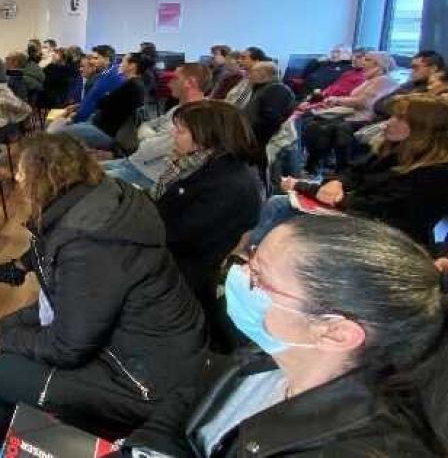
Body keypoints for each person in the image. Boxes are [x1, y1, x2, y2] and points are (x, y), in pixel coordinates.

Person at [0, 133, 207, 452]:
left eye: (21, 172)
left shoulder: (88, 245)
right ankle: (4, 417)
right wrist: (8, 332)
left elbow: (69, 346)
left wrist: (6, 342)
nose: (16, 178)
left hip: (142, 383)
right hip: (156, 352)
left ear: (43, 179)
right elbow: (72, 304)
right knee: (6, 328)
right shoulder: (103, 202)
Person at [123, 215, 448, 457]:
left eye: (258, 277)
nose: (237, 275)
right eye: (250, 259)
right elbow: (190, 401)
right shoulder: (270, 354)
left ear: (336, 333)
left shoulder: (352, 449)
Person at [248, 95, 448, 249]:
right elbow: (352, 171)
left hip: (385, 233)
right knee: (279, 202)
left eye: (399, 118)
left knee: (281, 207)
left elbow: (375, 208)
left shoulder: (434, 173)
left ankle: (250, 256)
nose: (388, 122)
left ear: (423, 129)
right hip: (358, 212)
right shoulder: (392, 149)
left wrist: (302, 186)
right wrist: (337, 182)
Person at [152, 100, 264, 352]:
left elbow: (178, 234)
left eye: (181, 130)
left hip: (191, 271)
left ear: (206, 138)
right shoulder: (202, 166)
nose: (173, 134)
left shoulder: (226, 183)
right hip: (180, 256)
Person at [102, 63, 212, 189]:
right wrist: (153, 136)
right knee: (88, 168)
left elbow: (147, 148)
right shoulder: (179, 108)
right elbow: (147, 125)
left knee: (87, 180)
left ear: (190, 82)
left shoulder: (195, 116)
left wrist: (148, 136)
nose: (169, 83)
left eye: (175, 78)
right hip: (135, 162)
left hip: (146, 175)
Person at [301, 50, 398, 173]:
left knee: (324, 127)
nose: (363, 62)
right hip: (352, 114)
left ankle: (334, 168)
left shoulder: (383, 80)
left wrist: (337, 100)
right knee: (315, 124)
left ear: (378, 64)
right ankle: (315, 165)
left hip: (366, 118)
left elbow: (363, 102)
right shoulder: (369, 79)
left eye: (367, 59)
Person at [55, 53, 147, 151]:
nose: (120, 64)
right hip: (101, 125)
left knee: (59, 133)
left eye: (123, 61)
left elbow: (102, 103)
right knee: (64, 128)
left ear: (132, 66)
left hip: (105, 131)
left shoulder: (130, 86)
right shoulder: (135, 84)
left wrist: (105, 98)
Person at [373, 50, 445, 120]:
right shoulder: (409, 85)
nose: (411, 71)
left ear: (433, 68)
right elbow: (378, 105)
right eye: (411, 68)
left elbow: (412, 114)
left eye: (416, 67)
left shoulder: (437, 91)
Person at [242, 62, 295, 151]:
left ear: (265, 75)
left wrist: (248, 135)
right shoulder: (262, 88)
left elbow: (270, 121)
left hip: (260, 142)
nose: (248, 75)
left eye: (252, 72)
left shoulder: (276, 89)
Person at [62, 46, 122, 124]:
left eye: (96, 58)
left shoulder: (111, 77)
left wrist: (74, 118)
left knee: (60, 128)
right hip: (95, 118)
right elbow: (93, 100)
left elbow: (93, 103)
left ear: (107, 60)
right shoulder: (104, 74)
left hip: (100, 122)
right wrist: (78, 106)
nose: (92, 61)